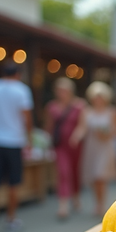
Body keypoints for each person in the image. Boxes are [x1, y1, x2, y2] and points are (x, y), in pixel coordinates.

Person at [0, 62, 33, 232]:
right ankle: (11, 218)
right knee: (13, 181)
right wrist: (29, 137)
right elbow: (27, 117)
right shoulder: (22, 90)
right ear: (18, 73)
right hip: (15, 140)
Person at [73, 81, 116, 217]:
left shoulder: (112, 112)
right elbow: (82, 127)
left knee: (101, 175)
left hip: (105, 148)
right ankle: (97, 202)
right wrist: (76, 137)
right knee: (94, 177)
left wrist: (107, 134)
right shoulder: (86, 112)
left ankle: (102, 203)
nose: (98, 100)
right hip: (92, 147)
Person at [44, 78, 86, 219]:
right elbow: (49, 127)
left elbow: (82, 125)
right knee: (63, 172)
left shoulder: (79, 105)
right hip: (60, 145)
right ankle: (63, 206)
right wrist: (47, 143)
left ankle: (76, 197)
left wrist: (77, 136)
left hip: (75, 145)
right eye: (60, 90)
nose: (62, 93)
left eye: (65, 90)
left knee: (74, 172)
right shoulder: (52, 107)